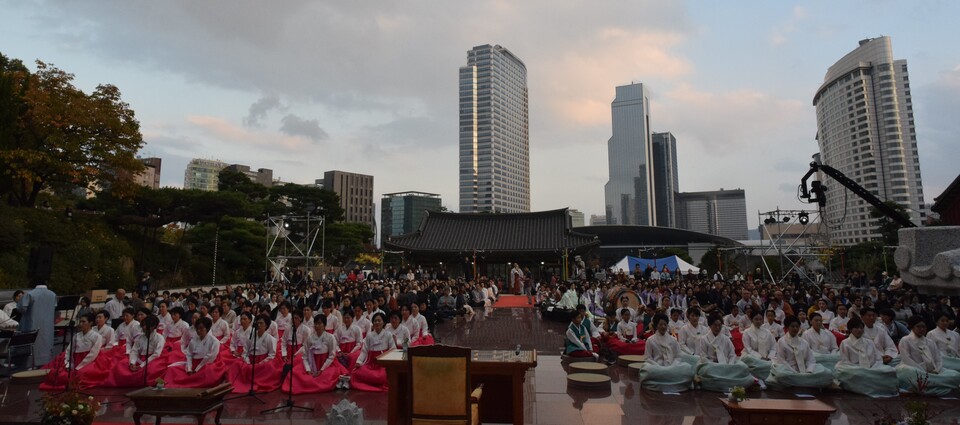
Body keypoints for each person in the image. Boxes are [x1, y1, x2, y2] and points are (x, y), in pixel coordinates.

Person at [39, 313, 110, 390]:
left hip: (89, 361)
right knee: (60, 374)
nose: (81, 324)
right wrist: (69, 364)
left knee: (81, 375)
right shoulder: (76, 336)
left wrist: (79, 366)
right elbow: (69, 350)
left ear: (90, 323)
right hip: (74, 360)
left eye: (83, 322)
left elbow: (93, 354)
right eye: (80, 322)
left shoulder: (96, 336)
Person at [834, 317, 898, 397]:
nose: (859, 330)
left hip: (871, 368)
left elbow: (877, 359)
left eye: (861, 328)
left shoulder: (869, 342)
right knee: (852, 372)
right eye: (856, 328)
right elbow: (845, 361)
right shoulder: (845, 343)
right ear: (851, 329)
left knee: (890, 370)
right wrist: (862, 369)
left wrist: (873, 369)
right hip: (854, 368)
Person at [896, 315, 960, 396]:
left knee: (956, 375)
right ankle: (942, 387)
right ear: (912, 327)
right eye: (918, 326)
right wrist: (922, 370)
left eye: (923, 327)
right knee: (911, 373)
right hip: (914, 369)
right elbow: (907, 359)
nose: (922, 329)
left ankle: (936, 386)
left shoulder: (930, 342)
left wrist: (937, 370)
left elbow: (938, 359)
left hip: (932, 371)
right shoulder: (905, 340)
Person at [765, 316, 833, 390]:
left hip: (805, 369)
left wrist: (809, 371)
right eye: (792, 326)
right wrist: (793, 372)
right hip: (789, 370)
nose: (795, 329)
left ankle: (800, 381)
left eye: (797, 327)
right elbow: (782, 361)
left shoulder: (803, 342)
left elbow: (811, 359)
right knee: (781, 374)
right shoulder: (781, 341)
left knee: (827, 372)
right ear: (787, 328)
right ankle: (805, 381)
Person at [287, 314, 348, 393]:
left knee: (327, 376)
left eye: (319, 323)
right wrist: (308, 369)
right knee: (293, 374)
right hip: (312, 363)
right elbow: (305, 356)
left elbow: (331, 356)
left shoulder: (330, 337)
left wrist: (322, 370)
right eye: (315, 323)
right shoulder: (310, 338)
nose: (317, 326)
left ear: (325, 325)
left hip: (327, 364)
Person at [695, 313, 754, 393]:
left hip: (727, 365)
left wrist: (729, 365)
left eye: (720, 325)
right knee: (707, 370)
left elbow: (732, 354)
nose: (717, 327)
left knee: (743, 367)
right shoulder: (704, 339)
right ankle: (729, 380)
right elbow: (703, 356)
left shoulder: (726, 339)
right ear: (710, 325)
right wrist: (713, 364)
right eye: (715, 325)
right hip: (711, 365)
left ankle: (723, 379)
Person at [102, 316, 167, 387]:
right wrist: (132, 363)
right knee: (121, 365)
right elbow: (134, 351)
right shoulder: (140, 337)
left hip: (152, 360)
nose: (144, 327)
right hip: (140, 358)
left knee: (151, 370)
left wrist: (141, 366)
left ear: (153, 326)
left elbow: (156, 354)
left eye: (146, 325)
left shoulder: (159, 338)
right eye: (143, 325)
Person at [638, 313, 694, 392]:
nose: (663, 327)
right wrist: (658, 367)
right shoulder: (650, 340)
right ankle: (671, 378)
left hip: (672, 366)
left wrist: (673, 366)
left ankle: (664, 377)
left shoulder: (673, 339)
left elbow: (678, 356)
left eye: (665, 324)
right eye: (660, 324)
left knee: (687, 367)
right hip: (657, 367)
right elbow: (648, 358)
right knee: (647, 368)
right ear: (656, 326)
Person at [164, 316, 226, 388]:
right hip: (193, 363)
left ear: (208, 329)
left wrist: (197, 369)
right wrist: (189, 368)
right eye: (197, 329)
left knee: (209, 372)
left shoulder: (214, 341)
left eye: (201, 328)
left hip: (206, 364)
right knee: (172, 369)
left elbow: (210, 357)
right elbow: (189, 354)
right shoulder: (194, 340)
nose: (199, 331)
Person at [229, 315, 281, 393]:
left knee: (269, 366)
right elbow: (245, 351)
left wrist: (261, 363)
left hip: (263, 361)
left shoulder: (270, 339)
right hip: (250, 359)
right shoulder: (251, 336)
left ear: (266, 325)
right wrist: (248, 362)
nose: (259, 325)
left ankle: (258, 381)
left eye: (261, 323)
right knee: (236, 363)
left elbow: (272, 355)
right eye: (257, 323)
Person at [349, 312, 393, 392]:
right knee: (355, 373)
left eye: (379, 320)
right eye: (375, 321)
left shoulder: (388, 335)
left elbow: (393, 349)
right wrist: (359, 362)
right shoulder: (369, 336)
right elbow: (364, 351)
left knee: (384, 375)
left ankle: (375, 382)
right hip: (371, 365)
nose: (377, 323)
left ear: (384, 322)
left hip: (383, 365)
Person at [16, 282, 57, 365]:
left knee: (33, 344)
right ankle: (46, 362)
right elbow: (54, 307)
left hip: (32, 323)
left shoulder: (31, 294)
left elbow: (21, 308)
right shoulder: (53, 294)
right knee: (46, 344)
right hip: (47, 325)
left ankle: (30, 364)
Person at [740, 311, 776, 381]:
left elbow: (773, 346)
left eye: (760, 319)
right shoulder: (747, 332)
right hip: (752, 358)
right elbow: (748, 349)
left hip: (767, 357)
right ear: (751, 320)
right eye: (756, 319)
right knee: (748, 359)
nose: (759, 321)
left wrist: (769, 357)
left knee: (775, 363)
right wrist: (760, 357)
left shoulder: (767, 332)